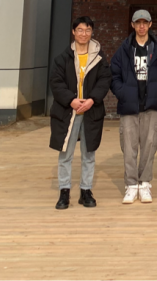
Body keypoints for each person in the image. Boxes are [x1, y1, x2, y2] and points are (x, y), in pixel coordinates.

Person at [49, 16, 112, 210]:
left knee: (88, 153)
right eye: (80, 30)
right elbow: (56, 83)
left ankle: (86, 190)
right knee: (65, 153)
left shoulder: (99, 58)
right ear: (73, 32)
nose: (84, 34)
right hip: (69, 111)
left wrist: (92, 99)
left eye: (88, 30)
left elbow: (105, 80)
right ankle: (64, 191)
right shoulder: (62, 58)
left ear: (92, 32)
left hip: (91, 111)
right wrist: (72, 100)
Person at [110, 9, 157, 205]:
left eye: (145, 22)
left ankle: (144, 183)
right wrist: (123, 93)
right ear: (133, 25)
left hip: (150, 105)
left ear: (150, 24)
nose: (142, 26)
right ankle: (131, 185)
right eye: (138, 22)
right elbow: (114, 75)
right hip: (129, 105)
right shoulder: (124, 48)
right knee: (128, 147)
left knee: (149, 145)